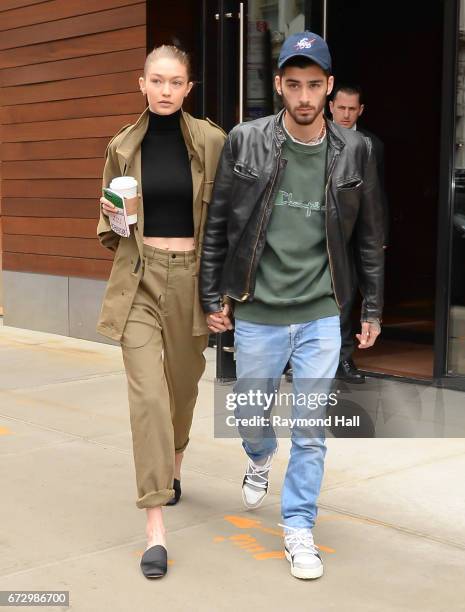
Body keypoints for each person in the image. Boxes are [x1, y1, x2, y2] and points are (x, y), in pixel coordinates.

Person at [200, 31, 384, 580]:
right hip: (258, 310)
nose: (304, 97)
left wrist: (370, 308)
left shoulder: (356, 150)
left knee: (310, 428)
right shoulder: (245, 140)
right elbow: (218, 224)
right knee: (252, 416)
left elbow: (370, 237)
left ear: (329, 88)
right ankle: (258, 455)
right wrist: (214, 296)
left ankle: (299, 525)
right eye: (293, 85)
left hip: (322, 312)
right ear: (278, 86)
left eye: (314, 86)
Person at [96, 45, 226, 579]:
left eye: (176, 81)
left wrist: (224, 297)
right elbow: (109, 233)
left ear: (188, 88)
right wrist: (115, 218)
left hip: (194, 281)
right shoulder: (122, 147)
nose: (166, 90)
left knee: (182, 390)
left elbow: (228, 224)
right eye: (157, 80)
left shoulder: (214, 142)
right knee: (148, 397)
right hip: (140, 277)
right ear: (141, 84)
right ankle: (155, 528)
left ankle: (173, 465)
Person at [329, 84, 389, 383]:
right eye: (341, 107)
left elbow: (378, 199)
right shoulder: (316, 137)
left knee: (348, 295)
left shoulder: (371, 145)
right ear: (331, 106)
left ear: (360, 111)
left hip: (357, 235)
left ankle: (343, 358)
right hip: (326, 231)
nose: (346, 114)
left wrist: (380, 238)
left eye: (352, 109)